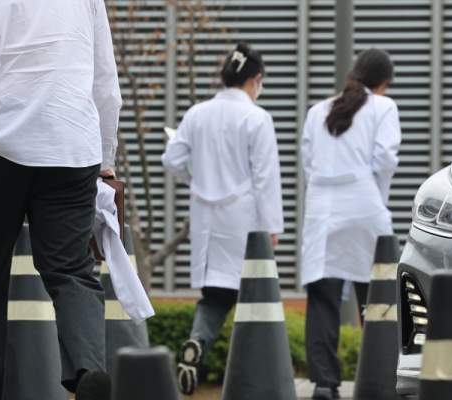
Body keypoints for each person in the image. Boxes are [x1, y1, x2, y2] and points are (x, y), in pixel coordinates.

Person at [0, 0, 121, 399]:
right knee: (72, 270)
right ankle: (87, 369)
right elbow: (105, 74)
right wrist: (106, 158)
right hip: (72, 145)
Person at [162, 43, 284, 396]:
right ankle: (250, 371)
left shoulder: (197, 113)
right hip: (243, 218)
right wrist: (271, 226)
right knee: (253, 294)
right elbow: (265, 177)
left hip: (205, 218)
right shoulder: (256, 118)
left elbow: (171, 160)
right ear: (255, 79)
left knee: (215, 293)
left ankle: (198, 341)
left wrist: (197, 179)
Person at [300, 48, 401, 400]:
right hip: (364, 201)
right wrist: (376, 198)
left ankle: (324, 384)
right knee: (376, 296)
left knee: (322, 298)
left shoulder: (318, 110)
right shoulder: (383, 107)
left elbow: (308, 162)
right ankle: (379, 378)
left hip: (321, 208)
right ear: (383, 82)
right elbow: (385, 159)